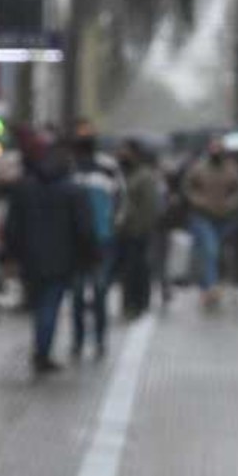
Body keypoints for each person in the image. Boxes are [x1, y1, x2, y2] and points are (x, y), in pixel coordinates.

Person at [0, 136, 95, 374]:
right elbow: (84, 228)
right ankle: (42, 352)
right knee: (50, 305)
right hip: (62, 259)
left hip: (30, 258)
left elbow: (12, 225)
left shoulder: (25, 188)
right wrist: (90, 255)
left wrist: (10, 255)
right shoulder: (74, 191)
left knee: (39, 304)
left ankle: (41, 348)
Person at [68, 124, 125, 359]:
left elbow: (120, 199)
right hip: (84, 241)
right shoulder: (71, 168)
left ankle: (98, 339)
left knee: (96, 292)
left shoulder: (107, 168)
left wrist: (113, 226)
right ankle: (80, 340)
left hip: (100, 240)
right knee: (81, 294)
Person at [181, 138, 238, 310]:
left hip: (224, 217)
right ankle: (210, 287)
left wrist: (230, 203)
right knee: (210, 249)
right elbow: (188, 187)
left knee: (213, 253)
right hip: (202, 215)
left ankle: (207, 285)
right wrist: (198, 201)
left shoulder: (232, 169)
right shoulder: (199, 167)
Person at [116, 140, 165, 320]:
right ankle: (131, 303)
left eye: (125, 151)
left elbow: (150, 207)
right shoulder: (126, 174)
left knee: (137, 269)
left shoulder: (144, 176)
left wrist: (143, 228)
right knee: (130, 270)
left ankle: (137, 303)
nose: (122, 155)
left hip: (138, 232)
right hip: (127, 232)